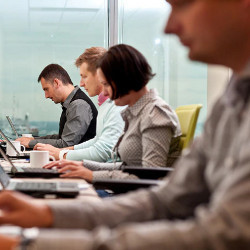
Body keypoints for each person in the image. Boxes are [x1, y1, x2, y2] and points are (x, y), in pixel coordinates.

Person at [1, 0, 250, 249]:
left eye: (184, 5)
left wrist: (31, 242)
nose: (169, 27)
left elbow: (223, 231)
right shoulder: (231, 101)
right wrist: (49, 215)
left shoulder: (155, 115)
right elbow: (159, 195)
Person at [43, 44, 181, 182]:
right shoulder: (138, 111)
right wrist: (82, 165)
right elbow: (127, 168)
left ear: (124, 79)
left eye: (107, 85)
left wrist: (90, 175)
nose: (104, 92)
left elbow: (148, 179)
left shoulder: (155, 114)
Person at [34, 47, 125, 163]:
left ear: (100, 74)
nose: (81, 83)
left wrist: (62, 154)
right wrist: (63, 152)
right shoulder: (106, 105)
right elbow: (97, 141)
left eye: (84, 76)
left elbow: (103, 151)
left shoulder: (117, 105)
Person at [16, 64, 98, 149]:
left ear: (56, 83)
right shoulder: (71, 103)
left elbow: (66, 143)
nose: (46, 96)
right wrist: (33, 139)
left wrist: (31, 143)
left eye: (46, 89)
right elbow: (62, 137)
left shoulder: (78, 105)